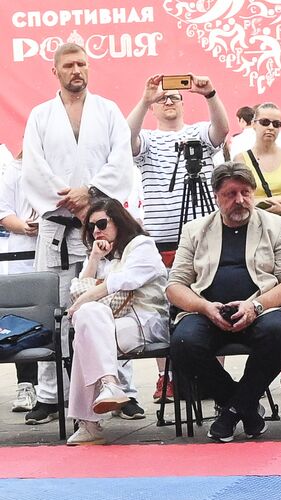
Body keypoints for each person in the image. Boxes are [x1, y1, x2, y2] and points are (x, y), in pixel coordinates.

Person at [21, 41, 139, 427]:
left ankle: (121, 388)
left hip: (100, 223)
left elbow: (121, 159)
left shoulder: (107, 112)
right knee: (54, 311)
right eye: (70, 65)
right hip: (57, 225)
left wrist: (89, 192)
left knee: (111, 304)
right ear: (54, 71)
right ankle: (50, 394)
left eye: (83, 64)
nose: (78, 70)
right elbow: (34, 168)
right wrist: (69, 198)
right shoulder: (40, 115)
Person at [166, 161, 281, 441]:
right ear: (217, 197)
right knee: (183, 343)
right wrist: (204, 307)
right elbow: (175, 286)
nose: (240, 200)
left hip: (260, 308)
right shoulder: (195, 230)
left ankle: (231, 412)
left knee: (279, 334)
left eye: (245, 192)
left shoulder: (277, 227)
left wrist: (255, 306)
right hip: (208, 310)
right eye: (230, 194)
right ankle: (245, 406)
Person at [63, 196, 169, 445]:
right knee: (88, 320)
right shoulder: (104, 256)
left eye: (101, 224)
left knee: (85, 331)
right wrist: (94, 259)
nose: (96, 231)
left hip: (145, 321)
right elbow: (77, 290)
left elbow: (124, 282)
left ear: (119, 221)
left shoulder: (142, 245)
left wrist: (84, 299)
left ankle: (89, 425)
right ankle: (110, 383)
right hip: (109, 324)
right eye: (90, 227)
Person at [126, 73, 229, 247]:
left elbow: (222, 129)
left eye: (174, 97)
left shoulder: (199, 132)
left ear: (183, 103)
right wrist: (145, 101)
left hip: (204, 235)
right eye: (161, 99)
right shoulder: (147, 139)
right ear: (152, 108)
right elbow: (126, 138)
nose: (168, 102)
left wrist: (210, 94)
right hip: (161, 237)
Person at [1, 151, 41, 413]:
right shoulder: (13, 170)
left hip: (61, 249)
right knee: (23, 319)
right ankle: (26, 384)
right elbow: (4, 212)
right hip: (21, 254)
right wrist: (24, 226)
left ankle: (68, 387)